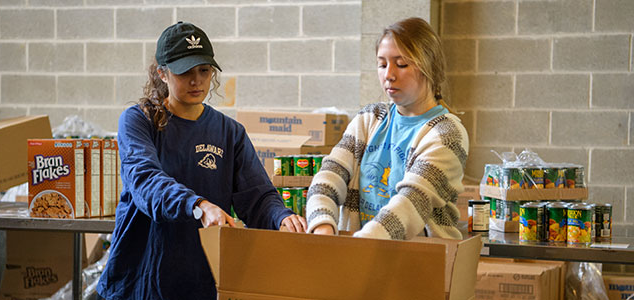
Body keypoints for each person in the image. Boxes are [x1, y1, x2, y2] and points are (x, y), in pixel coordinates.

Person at [96, 21, 306, 300]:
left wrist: (282, 218)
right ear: (163, 73)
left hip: (198, 282)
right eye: (185, 72)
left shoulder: (230, 132)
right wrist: (198, 206)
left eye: (204, 71)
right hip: (140, 282)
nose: (197, 81)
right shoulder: (138, 120)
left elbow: (257, 196)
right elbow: (145, 180)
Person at [305, 17, 468, 240]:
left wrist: (357, 247)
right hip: (363, 256)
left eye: (401, 64)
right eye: (382, 64)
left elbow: (410, 205)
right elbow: (328, 177)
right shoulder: (369, 119)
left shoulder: (447, 134)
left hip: (421, 264)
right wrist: (322, 225)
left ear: (428, 66)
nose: (389, 75)